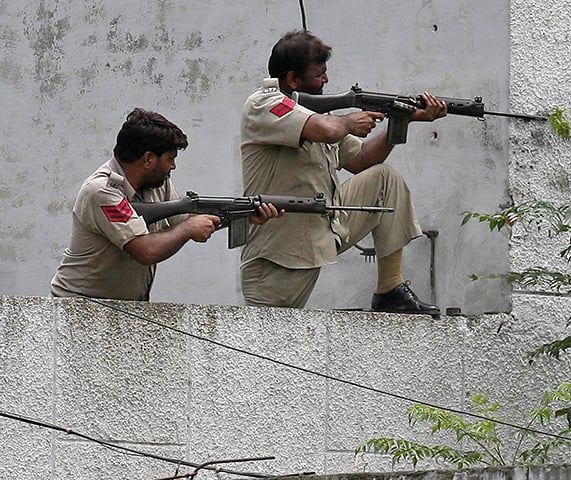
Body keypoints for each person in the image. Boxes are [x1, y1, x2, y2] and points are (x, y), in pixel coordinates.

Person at [239, 29, 447, 315]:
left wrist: (403, 120)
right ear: (292, 79)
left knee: (385, 180)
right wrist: (350, 120)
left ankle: (391, 290)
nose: (326, 80)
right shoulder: (265, 103)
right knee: (270, 345)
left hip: (319, 231)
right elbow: (329, 131)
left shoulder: (315, 115)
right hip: (278, 255)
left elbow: (362, 159)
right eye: (319, 74)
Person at [50, 108, 280, 301]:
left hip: (122, 308)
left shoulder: (157, 184)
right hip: (78, 306)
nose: (173, 166)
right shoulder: (102, 191)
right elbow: (146, 250)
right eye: (170, 159)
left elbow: (189, 220)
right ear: (149, 159)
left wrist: (241, 215)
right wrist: (189, 230)